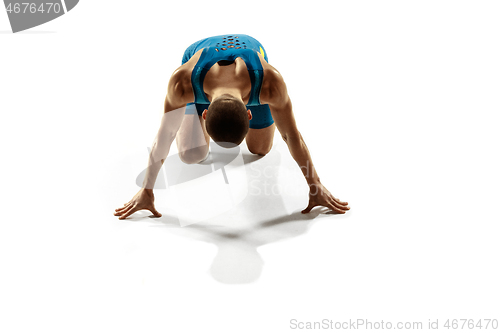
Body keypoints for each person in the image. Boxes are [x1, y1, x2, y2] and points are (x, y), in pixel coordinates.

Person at [114, 34, 350, 220]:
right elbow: (164, 135)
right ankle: (188, 108)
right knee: (191, 154)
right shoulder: (182, 83)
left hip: (250, 61)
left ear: (248, 113)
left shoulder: (270, 83)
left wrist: (316, 185)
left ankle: (196, 116)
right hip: (199, 67)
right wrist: (147, 190)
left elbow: (290, 135)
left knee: (260, 149)